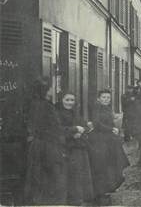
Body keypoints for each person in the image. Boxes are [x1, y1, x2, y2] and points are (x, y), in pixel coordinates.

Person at [24, 77, 67, 205]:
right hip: (49, 146)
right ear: (46, 90)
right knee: (52, 176)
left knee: (37, 175)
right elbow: (56, 128)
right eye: (51, 87)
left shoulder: (32, 104)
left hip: (36, 145)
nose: (53, 90)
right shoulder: (47, 107)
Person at [87, 89, 130, 204]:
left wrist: (114, 129)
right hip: (99, 140)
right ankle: (100, 192)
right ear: (99, 98)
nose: (106, 99)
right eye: (104, 97)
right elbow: (96, 124)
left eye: (108, 98)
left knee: (111, 164)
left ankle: (106, 189)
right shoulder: (97, 108)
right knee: (101, 166)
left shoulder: (107, 108)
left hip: (109, 140)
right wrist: (111, 129)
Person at [55, 92, 94, 205]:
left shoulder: (75, 113)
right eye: (67, 100)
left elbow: (85, 126)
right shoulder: (57, 113)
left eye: (72, 100)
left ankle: (79, 197)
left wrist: (82, 132)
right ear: (61, 100)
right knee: (70, 174)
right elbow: (57, 130)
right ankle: (71, 199)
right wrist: (73, 133)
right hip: (66, 147)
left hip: (78, 146)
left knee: (79, 173)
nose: (70, 103)